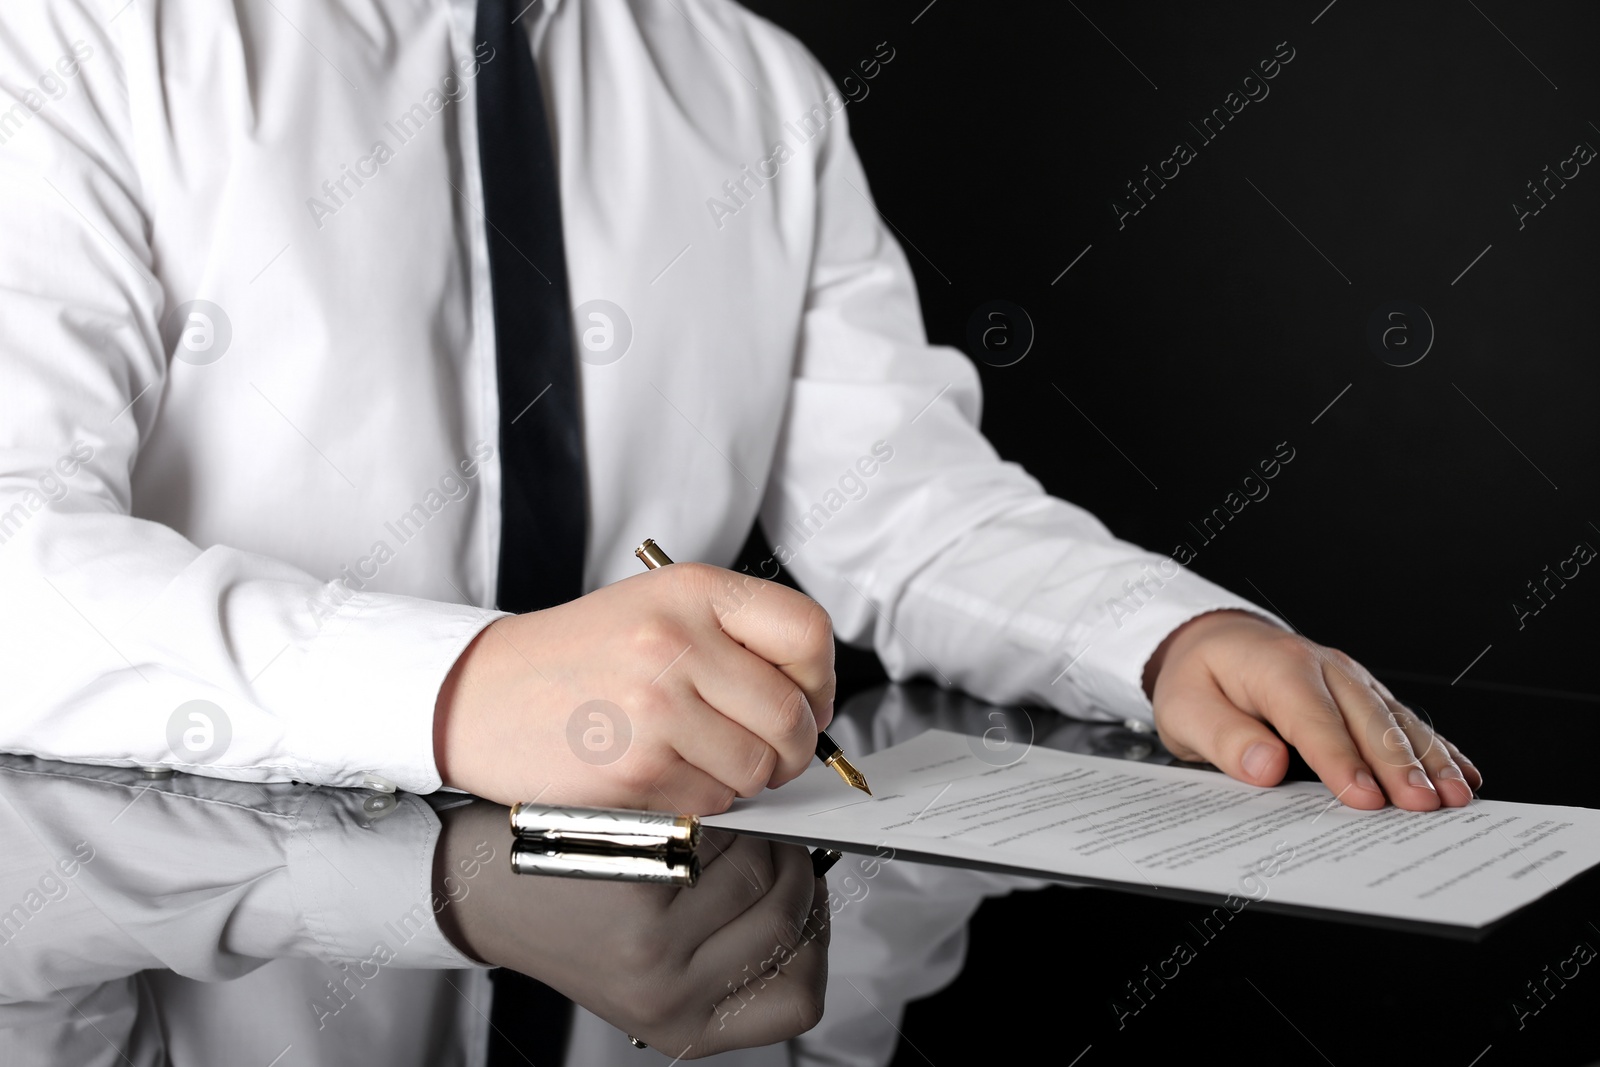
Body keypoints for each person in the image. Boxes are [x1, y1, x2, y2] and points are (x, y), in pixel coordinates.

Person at [0, 0, 1479, 1059]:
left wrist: (1162, 634)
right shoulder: (72, 38)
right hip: (177, 903)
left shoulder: (756, 85)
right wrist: (457, 688)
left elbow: (904, 504)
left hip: (678, 897)